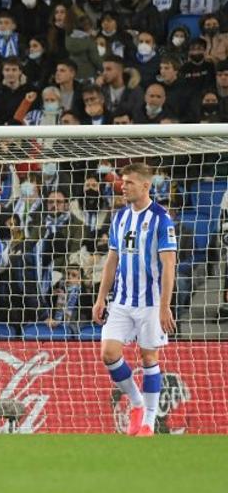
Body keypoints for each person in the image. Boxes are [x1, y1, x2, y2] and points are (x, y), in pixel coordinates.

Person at [91, 163, 177, 438]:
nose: (123, 186)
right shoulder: (120, 218)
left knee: (149, 356)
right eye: (122, 182)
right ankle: (137, 403)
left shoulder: (161, 219)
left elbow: (169, 266)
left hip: (151, 303)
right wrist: (101, 297)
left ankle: (149, 423)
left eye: (128, 182)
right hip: (122, 301)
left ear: (145, 186)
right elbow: (112, 260)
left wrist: (164, 306)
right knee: (109, 353)